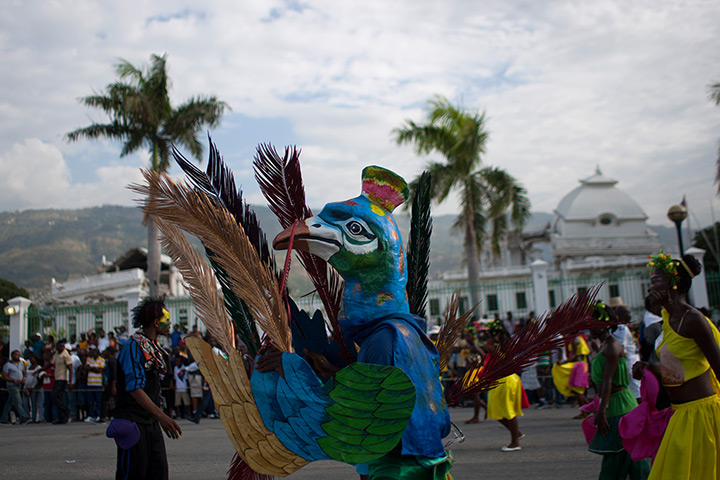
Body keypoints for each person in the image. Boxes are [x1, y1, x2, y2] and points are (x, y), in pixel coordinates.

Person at [636, 253, 720, 479]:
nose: (649, 287)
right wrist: (647, 366)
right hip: (680, 414)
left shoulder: (692, 319)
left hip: (701, 414)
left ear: (674, 283)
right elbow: (677, 369)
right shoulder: (668, 318)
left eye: (655, 281)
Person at [112, 297, 182, 480]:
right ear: (156, 322)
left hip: (150, 422)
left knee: (158, 473)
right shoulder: (133, 346)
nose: (170, 322)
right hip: (133, 422)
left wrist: (158, 417)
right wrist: (162, 417)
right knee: (134, 475)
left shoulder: (154, 347)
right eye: (167, 318)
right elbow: (135, 389)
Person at [586, 303, 650, 479]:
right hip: (614, 403)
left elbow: (608, 381)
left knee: (622, 454)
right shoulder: (605, 346)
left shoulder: (612, 346)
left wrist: (601, 411)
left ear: (605, 324)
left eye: (593, 323)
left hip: (618, 404)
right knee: (623, 454)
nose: (589, 327)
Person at [484, 320, 525, 451]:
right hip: (499, 380)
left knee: (508, 412)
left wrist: (492, 350)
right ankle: (516, 433)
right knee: (494, 410)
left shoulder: (501, 346)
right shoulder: (497, 345)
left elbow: (503, 361)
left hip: (505, 380)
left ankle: (515, 442)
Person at [552, 332, 591, 414]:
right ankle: (584, 411)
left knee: (577, 391)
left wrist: (562, 362)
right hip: (581, 365)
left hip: (578, 366)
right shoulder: (579, 338)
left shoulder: (574, 340)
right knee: (577, 391)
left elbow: (573, 355)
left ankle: (590, 409)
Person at [0, 350, 31, 424]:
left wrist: (24, 379)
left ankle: (3, 419)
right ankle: (25, 417)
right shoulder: (7, 365)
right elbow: (5, 376)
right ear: (12, 356)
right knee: (18, 402)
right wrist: (15, 380)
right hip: (12, 386)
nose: (18, 356)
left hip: (19, 385)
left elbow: (24, 372)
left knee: (9, 403)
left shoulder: (21, 364)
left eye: (18, 355)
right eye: (16, 355)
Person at [50, 339, 73, 424]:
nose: (62, 348)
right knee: (59, 398)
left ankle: (66, 410)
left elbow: (70, 368)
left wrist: (70, 381)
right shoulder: (56, 354)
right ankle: (62, 418)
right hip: (57, 378)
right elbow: (51, 363)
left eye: (63, 346)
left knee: (54, 396)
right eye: (60, 346)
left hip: (62, 379)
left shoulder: (65, 355)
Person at [85, 345, 105, 422]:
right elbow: (87, 368)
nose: (92, 353)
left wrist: (91, 368)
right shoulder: (89, 359)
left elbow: (100, 370)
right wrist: (95, 369)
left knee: (98, 401)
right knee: (90, 401)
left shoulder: (101, 360)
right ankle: (91, 415)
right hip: (90, 383)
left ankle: (98, 415)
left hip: (98, 383)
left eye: (94, 352)